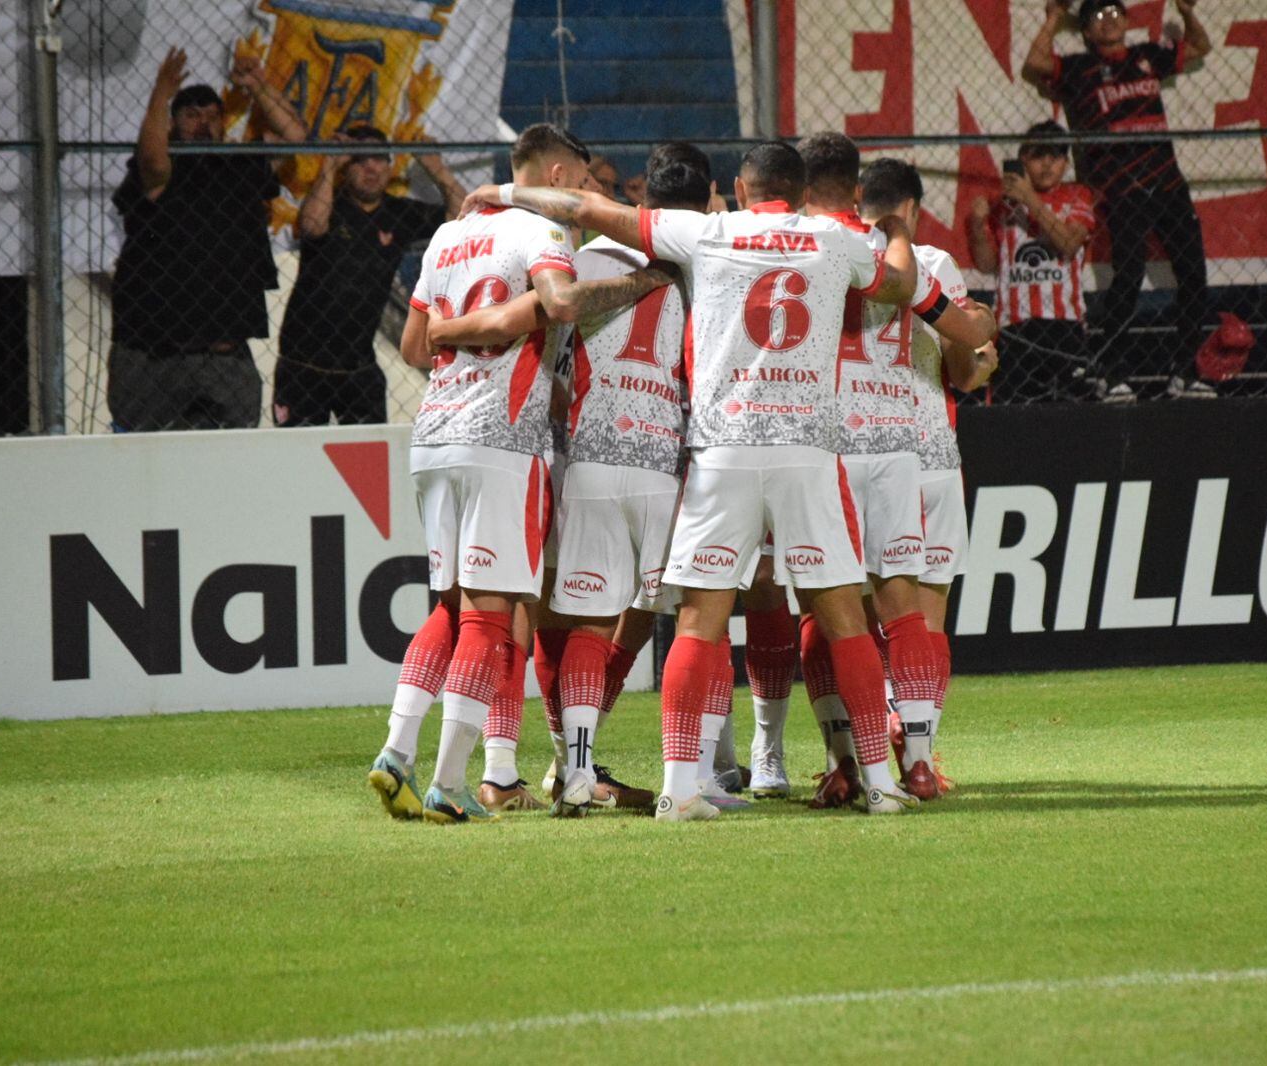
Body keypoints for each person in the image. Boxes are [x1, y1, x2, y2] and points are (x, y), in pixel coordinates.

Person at [460, 140, 923, 821]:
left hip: (723, 450)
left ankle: (680, 787)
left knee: (701, 620)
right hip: (805, 451)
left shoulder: (709, 231)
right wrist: (898, 232)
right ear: (798, 195)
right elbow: (900, 285)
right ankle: (881, 784)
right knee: (844, 616)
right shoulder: (832, 237)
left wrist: (504, 195)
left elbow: (588, 206)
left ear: (739, 188)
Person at [364, 123, 674, 826]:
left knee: (447, 605)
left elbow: (415, 344)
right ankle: (447, 781)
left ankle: (395, 752)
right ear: (558, 177)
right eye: (584, 183)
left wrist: (461, 329)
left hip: (434, 433)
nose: (588, 197)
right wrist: (630, 285)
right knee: (490, 617)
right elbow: (562, 302)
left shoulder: (450, 235)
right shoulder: (543, 234)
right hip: (502, 442)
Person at [421, 160, 712, 816]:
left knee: (548, 608)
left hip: (575, 457)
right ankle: (687, 772)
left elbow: (549, 351)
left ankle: (535, 764)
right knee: (684, 617)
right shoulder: (701, 260)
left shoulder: (577, 258)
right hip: (666, 459)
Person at [793, 136, 995, 806]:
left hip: (821, 446)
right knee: (911, 610)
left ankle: (846, 761)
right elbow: (970, 346)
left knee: (825, 610)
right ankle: (917, 758)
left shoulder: (792, 245)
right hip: (902, 447)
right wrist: (982, 326)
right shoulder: (919, 256)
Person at [862, 158, 996, 791]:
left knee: (852, 617)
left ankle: (852, 758)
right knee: (929, 614)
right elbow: (965, 373)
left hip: (854, 454)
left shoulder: (832, 254)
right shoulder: (935, 265)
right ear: (911, 209)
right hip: (930, 457)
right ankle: (920, 755)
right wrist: (986, 360)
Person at [1023, 0, 1216, 399]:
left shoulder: (1147, 56)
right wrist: (1054, 20)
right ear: (1087, 31)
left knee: (1194, 276)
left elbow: (1200, 47)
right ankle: (1112, 373)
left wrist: (1188, 13)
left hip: (1169, 186)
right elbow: (1037, 63)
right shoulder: (1079, 68)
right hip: (1123, 191)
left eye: (1115, 12)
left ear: (1128, 21)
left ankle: (1186, 371)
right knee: (1127, 279)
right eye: (1097, 16)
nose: (1108, 21)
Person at [108, 48, 306, 431]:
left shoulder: (238, 164)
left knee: (231, 453)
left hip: (224, 350)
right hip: (153, 352)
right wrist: (161, 94)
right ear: (173, 123)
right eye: (192, 115)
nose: (204, 123)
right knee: (143, 451)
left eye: (213, 116)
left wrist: (258, 86)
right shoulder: (165, 167)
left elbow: (294, 136)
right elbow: (152, 162)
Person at [272, 125, 464, 426]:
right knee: (299, 457)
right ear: (347, 168)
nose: (371, 166)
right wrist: (329, 165)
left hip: (358, 365)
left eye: (379, 157)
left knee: (367, 464)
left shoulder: (397, 213)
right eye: (360, 158)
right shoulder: (329, 205)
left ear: (390, 167)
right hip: (302, 362)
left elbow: (463, 219)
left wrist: (436, 169)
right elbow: (310, 226)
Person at [968, 121, 1097, 403]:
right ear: (1023, 159)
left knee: (1075, 408)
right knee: (1014, 410)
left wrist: (1030, 199)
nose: (1047, 164)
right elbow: (987, 264)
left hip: (1064, 323)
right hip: (1015, 325)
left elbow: (1068, 244)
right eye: (1039, 155)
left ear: (1066, 162)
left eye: (1056, 156)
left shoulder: (1077, 196)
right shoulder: (1002, 204)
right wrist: (978, 226)